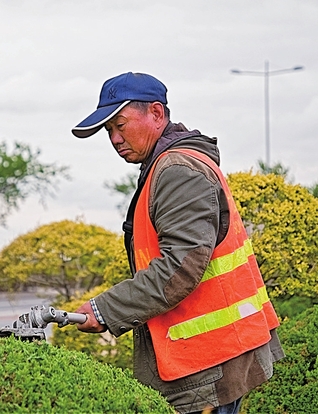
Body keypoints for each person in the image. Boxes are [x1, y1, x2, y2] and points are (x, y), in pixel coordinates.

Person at [71, 72, 285, 414]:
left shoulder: (176, 170)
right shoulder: (167, 165)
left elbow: (180, 267)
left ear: (157, 113)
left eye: (120, 124)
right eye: (109, 130)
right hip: (209, 357)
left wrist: (104, 310)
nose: (114, 138)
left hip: (207, 365)